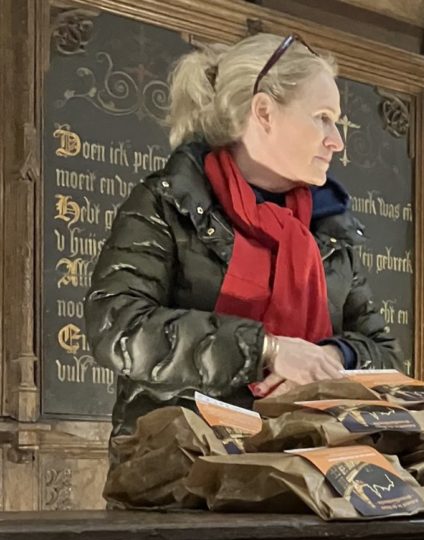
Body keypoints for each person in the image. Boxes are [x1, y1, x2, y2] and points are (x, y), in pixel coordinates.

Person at [86, 33, 402, 459]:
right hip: (182, 480)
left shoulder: (329, 229)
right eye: (323, 118)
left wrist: (327, 359)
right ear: (264, 111)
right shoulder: (168, 202)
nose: (336, 141)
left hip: (308, 469)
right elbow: (117, 327)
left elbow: (387, 356)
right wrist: (268, 350)